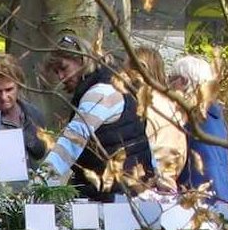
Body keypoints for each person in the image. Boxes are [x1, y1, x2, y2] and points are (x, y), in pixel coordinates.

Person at [35, 33, 155, 197]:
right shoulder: (113, 84)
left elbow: (71, 143)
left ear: (82, 60)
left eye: (63, 68)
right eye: (57, 72)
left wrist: (37, 185)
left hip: (113, 194)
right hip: (131, 189)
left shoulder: (100, 93)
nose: (61, 77)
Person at [168, 54, 228, 201]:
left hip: (200, 198)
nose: (168, 86)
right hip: (224, 195)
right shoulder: (215, 116)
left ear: (183, 81)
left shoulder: (192, 118)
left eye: (171, 79)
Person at [125, 45, 185, 189]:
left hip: (150, 184)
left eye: (126, 70)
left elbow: (150, 145)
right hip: (170, 182)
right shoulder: (172, 104)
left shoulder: (142, 105)